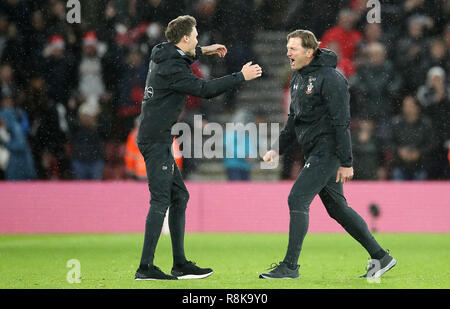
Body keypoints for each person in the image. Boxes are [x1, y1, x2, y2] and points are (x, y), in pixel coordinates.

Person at [134, 15, 262, 280]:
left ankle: (179, 264)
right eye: (195, 36)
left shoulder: (164, 53)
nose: (197, 39)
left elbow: (183, 54)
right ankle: (145, 268)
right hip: (156, 140)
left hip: (158, 137)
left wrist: (206, 50)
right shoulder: (172, 68)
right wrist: (241, 76)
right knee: (161, 200)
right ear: (184, 38)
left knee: (179, 197)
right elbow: (204, 89)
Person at [260, 30, 396, 279]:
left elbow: (341, 122)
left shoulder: (331, 78)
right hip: (315, 151)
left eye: (293, 48)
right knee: (337, 208)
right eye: (287, 47)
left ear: (309, 52)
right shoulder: (298, 77)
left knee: (297, 199)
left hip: (328, 151)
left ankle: (290, 266)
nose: (287, 53)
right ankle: (380, 256)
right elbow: (293, 119)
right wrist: (276, 148)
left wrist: (346, 161)